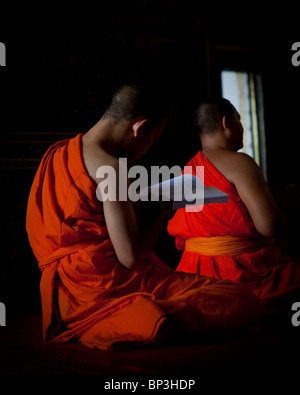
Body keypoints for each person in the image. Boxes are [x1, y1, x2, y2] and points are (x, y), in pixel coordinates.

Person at [26, 85, 261, 351]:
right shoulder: (110, 169)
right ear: (139, 127)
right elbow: (130, 258)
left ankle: (141, 317)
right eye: (152, 140)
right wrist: (164, 207)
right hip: (104, 287)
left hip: (62, 294)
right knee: (242, 299)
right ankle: (142, 318)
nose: (147, 150)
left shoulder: (57, 153)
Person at [168, 97, 300, 308]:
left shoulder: (188, 169)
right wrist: (285, 208)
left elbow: (222, 217)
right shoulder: (240, 162)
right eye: (239, 121)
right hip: (239, 273)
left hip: (194, 272)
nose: (242, 128)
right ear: (226, 123)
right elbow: (269, 227)